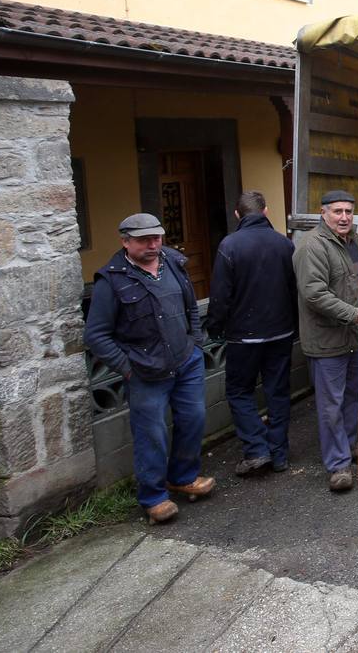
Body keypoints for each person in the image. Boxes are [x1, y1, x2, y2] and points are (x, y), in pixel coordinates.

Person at [84, 213, 215, 523]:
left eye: (157, 237)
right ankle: (153, 496)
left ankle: (183, 476)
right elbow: (96, 335)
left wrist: (195, 343)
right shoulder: (111, 279)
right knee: (151, 433)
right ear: (125, 242)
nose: (153, 244)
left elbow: (190, 308)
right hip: (144, 372)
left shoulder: (172, 263)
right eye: (144, 240)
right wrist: (126, 368)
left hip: (186, 361)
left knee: (194, 419)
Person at [205, 191, 298, 477]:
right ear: (266, 211)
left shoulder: (230, 245)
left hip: (243, 335)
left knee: (238, 391)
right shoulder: (284, 244)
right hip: (281, 331)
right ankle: (279, 454)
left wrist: (215, 327)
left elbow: (220, 295)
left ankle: (257, 449)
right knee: (278, 392)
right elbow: (294, 287)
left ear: (238, 215)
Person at [292, 190, 358, 492]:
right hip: (326, 339)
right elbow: (314, 294)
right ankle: (338, 465)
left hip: (352, 336)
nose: (344, 217)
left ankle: (352, 445)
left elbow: (355, 281)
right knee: (331, 405)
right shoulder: (312, 246)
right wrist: (354, 314)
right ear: (323, 213)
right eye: (337, 211)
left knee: (353, 396)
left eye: (348, 211)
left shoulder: (355, 241)